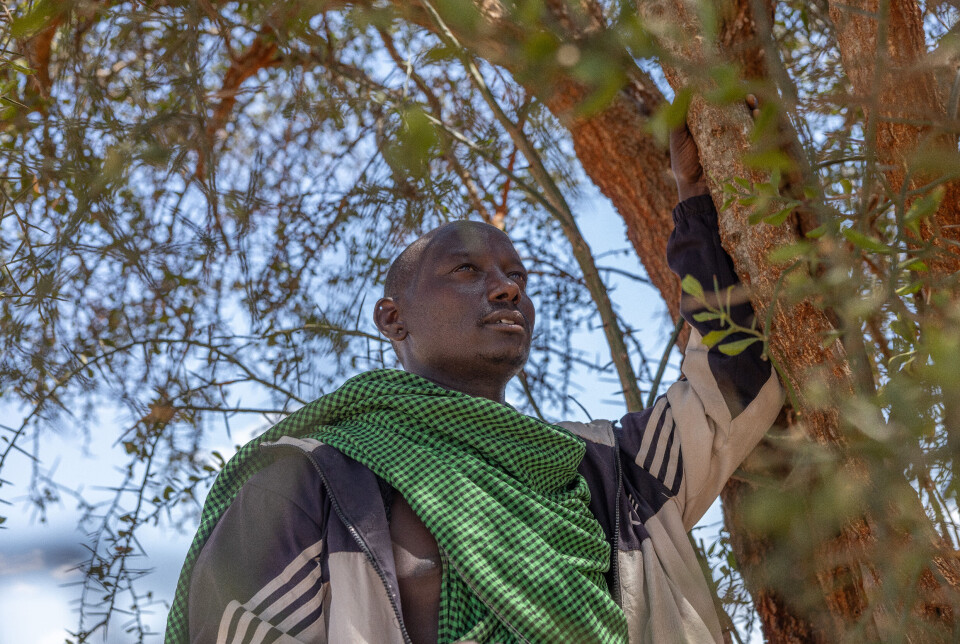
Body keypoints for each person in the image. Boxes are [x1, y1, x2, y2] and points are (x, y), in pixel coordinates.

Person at [165, 119, 784, 644]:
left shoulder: (606, 471)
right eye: (466, 270)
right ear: (392, 317)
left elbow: (731, 385)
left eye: (516, 274)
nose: (506, 286)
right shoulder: (314, 476)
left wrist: (701, 205)